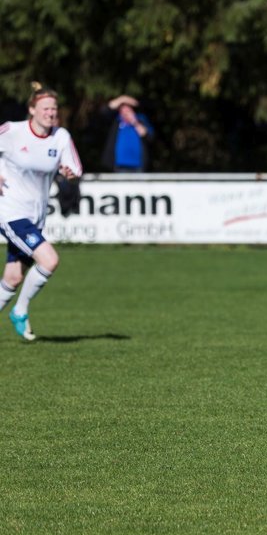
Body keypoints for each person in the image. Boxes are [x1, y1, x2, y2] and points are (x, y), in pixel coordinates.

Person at [0, 83, 84, 341]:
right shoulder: (12, 131)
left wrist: (69, 173)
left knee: (13, 278)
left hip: (35, 217)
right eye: (45, 108)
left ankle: (17, 306)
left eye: (54, 108)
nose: (50, 113)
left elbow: (75, 168)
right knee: (49, 260)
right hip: (10, 212)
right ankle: (20, 310)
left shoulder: (60, 137)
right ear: (32, 109)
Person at [100, 94, 154, 173]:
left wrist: (134, 122)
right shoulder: (116, 121)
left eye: (128, 110)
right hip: (119, 166)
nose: (125, 113)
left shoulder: (141, 119)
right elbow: (105, 110)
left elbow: (148, 136)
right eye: (122, 110)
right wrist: (122, 99)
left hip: (138, 166)